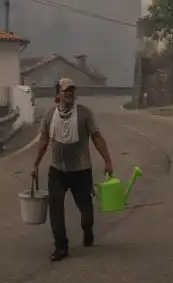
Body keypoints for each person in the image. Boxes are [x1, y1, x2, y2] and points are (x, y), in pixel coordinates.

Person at [32, 78, 114, 261]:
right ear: (57, 94)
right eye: (65, 91)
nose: (69, 94)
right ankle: (61, 246)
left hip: (81, 170)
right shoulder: (49, 115)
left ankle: (88, 229)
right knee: (55, 209)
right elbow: (44, 140)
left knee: (86, 210)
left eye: (71, 91)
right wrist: (36, 163)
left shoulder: (84, 114)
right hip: (57, 170)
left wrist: (107, 161)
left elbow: (97, 137)